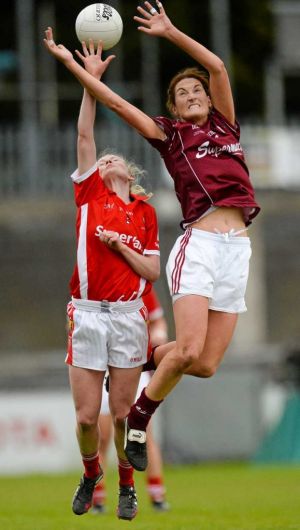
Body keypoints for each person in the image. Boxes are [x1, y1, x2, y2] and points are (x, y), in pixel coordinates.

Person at [44, 0, 260, 474]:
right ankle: (139, 417)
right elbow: (118, 105)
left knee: (203, 365)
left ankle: (138, 359)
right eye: (183, 92)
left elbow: (217, 66)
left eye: (196, 89)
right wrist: (79, 71)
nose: (193, 93)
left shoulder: (226, 124)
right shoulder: (171, 136)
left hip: (236, 248)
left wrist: (170, 31)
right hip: (200, 245)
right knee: (185, 350)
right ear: (175, 108)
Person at [53, 38, 160, 520]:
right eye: (101, 159)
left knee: (120, 415)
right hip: (88, 313)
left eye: (113, 158)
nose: (104, 159)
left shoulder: (144, 212)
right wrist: (90, 82)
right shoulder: (90, 193)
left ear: (130, 173)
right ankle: (91, 471)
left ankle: (126, 485)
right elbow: (83, 136)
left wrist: (120, 247)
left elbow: (153, 271)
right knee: (83, 417)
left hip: (128, 317)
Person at [92, 287, 170, 513]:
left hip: (134, 365)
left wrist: (159, 336)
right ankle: (97, 496)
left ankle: (157, 494)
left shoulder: (140, 285)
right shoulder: (96, 284)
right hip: (103, 368)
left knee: (142, 433)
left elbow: (158, 322)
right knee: (103, 434)